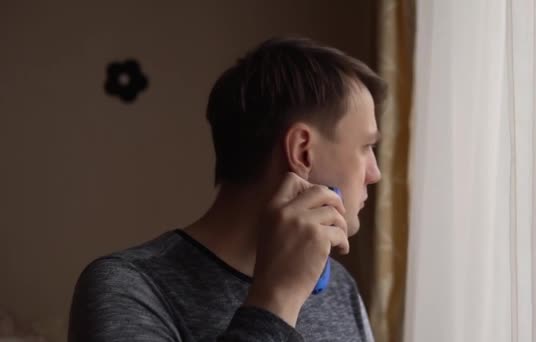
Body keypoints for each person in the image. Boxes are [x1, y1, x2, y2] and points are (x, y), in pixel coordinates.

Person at [68, 37, 386, 341]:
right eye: (365, 147)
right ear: (303, 150)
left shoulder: (340, 287)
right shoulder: (126, 288)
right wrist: (278, 299)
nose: (375, 173)